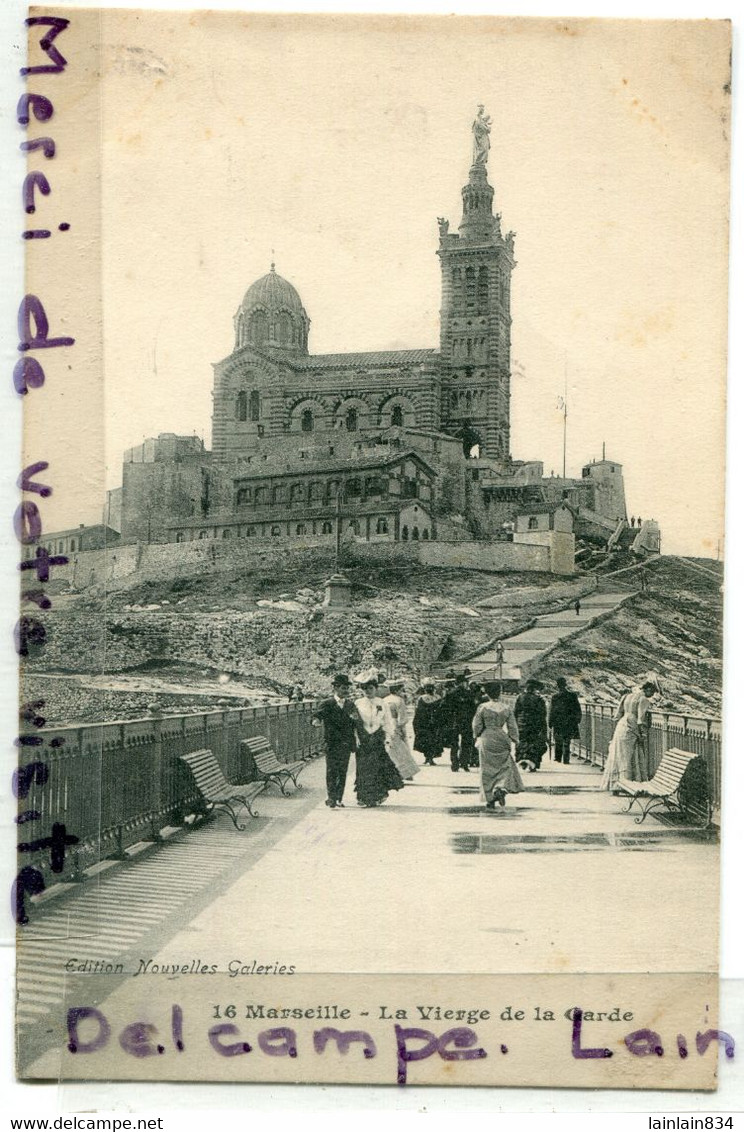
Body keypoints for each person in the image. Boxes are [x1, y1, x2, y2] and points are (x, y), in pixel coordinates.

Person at [353, 670, 404, 807]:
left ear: (376, 689)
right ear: (361, 690)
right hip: (363, 738)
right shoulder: (357, 703)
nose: (368, 691)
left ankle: (376, 796)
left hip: (377, 738)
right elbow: (353, 723)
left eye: (370, 688)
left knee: (377, 767)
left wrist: (388, 738)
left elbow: (387, 722)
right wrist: (356, 737)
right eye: (365, 688)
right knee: (363, 768)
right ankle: (363, 797)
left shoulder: (382, 703)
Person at [601, 679, 660, 791]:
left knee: (619, 754)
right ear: (648, 689)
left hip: (622, 726)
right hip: (632, 728)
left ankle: (617, 783)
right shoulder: (643, 699)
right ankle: (628, 785)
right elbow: (640, 719)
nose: (652, 695)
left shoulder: (627, 696)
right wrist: (643, 734)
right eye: (652, 692)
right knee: (629, 756)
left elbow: (618, 714)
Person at [311, 673, 359, 809]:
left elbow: (356, 721)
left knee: (342, 771)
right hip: (332, 743)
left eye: (347, 688)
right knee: (332, 770)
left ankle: (339, 798)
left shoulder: (350, 704)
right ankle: (331, 797)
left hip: (346, 743)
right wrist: (316, 721)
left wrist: (355, 721)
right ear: (336, 688)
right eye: (343, 688)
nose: (346, 691)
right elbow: (317, 715)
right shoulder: (327, 703)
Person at [472, 681, 522, 809]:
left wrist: (477, 735)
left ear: (487, 693)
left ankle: (489, 798)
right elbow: (512, 726)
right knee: (504, 766)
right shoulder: (506, 708)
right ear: (499, 693)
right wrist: (515, 739)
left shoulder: (482, 707)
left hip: (487, 737)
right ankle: (501, 787)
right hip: (501, 736)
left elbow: (476, 725)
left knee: (487, 769)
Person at [381, 678, 420, 780]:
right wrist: (401, 727)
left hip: (386, 725)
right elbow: (402, 718)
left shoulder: (384, 700)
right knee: (402, 750)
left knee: (390, 751)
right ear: (397, 690)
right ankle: (404, 773)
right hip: (395, 724)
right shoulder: (399, 700)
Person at [444, 673, 479, 772]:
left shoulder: (450, 693)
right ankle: (464, 763)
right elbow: (474, 708)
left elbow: (445, 709)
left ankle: (454, 763)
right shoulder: (469, 694)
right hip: (467, 721)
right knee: (466, 743)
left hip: (454, 721)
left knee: (454, 743)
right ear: (463, 683)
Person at [513, 679, 548, 771]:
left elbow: (515, 712)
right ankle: (533, 763)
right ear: (534, 689)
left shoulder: (520, 698)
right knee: (533, 743)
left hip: (521, 724)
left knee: (522, 742)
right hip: (534, 724)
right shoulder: (539, 699)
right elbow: (543, 714)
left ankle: (522, 760)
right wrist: (543, 727)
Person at [549, 676, 582, 764]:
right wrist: (578, 720)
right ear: (565, 685)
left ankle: (558, 758)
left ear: (557, 686)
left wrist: (550, 723)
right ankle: (566, 759)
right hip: (570, 722)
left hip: (558, 722)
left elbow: (552, 711)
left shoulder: (555, 697)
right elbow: (577, 709)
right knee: (567, 740)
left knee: (558, 739)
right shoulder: (572, 696)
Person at [413, 682, 444, 765]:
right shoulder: (437, 697)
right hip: (434, 722)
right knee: (432, 740)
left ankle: (428, 758)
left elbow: (418, 711)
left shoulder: (422, 698)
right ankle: (429, 758)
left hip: (424, 722)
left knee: (427, 740)